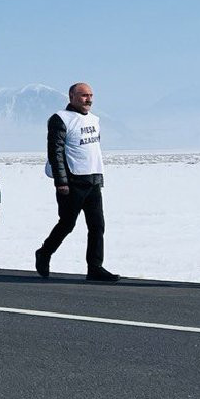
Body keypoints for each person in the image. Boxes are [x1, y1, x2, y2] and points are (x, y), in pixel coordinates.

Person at [35, 82, 117, 281]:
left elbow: (93, 151)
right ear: (71, 96)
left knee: (97, 226)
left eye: (90, 95)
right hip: (72, 182)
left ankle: (95, 267)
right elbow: (55, 152)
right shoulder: (61, 119)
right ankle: (44, 253)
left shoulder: (95, 120)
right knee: (67, 224)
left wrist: (99, 178)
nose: (88, 99)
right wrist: (61, 181)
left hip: (93, 181)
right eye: (83, 95)